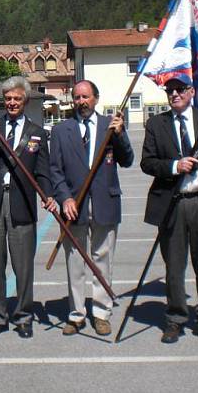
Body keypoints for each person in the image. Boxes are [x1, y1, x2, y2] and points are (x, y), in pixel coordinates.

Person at [141, 77, 198, 345]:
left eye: (179, 90)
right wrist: (174, 166)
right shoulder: (157, 124)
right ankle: (175, 320)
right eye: (170, 91)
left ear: (191, 92)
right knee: (174, 269)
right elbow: (147, 162)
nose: (174, 94)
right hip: (172, 204)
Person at [50, 80, 134, 336]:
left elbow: (127, 159)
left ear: (96, 99)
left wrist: (120, 134)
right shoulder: (61, 130)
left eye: (85, 97)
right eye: (76, 97)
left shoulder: (110, 126)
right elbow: (55, 170)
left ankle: (101, 313)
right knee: (75, 263)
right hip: (73, 206)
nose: (81, 102)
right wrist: (65, 198)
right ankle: (76, 314)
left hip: (104, 203)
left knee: (102, 261)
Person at [0, 76, 54, 339]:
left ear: (25, 101)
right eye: (8, 98)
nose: (12, 102)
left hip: (22, 203)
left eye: (17, 98)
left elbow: (43, 171)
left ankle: (23, 316)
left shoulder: (37, 133)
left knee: (23, 267)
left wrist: (48, 194)